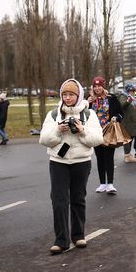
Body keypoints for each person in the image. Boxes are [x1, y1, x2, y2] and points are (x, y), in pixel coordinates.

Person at [39, 79, 104, 254]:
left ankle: (78, 235)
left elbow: (98, 140)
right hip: (58, 162)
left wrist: (82, 130)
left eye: (71, 94)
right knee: (59, 200)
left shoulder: (89, 114)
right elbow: (44, 139)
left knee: (78, 198)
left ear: (78, 95)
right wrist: (57, 131)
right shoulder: (53, 115)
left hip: (81, 162)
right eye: (65, 94)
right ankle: (61, 240)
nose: (68, 98)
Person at [88, 76, 123, 194]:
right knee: (100, 158)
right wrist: (87, 103)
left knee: (109, 157)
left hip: (108, 132)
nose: (97, 88)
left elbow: (120, 113)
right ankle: (102, 183)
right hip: (95, 132)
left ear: (103, 86)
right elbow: (84, 115)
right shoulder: (90, 100)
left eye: (99, 86)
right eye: (95, 86)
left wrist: (116, 117)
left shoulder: (111, 98)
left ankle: (110, 184)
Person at [119, 84, 136, 163]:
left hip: (132, 122)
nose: (132, 92)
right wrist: (128, 101)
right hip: (126, 122)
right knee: (127, 139)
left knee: (131, 138)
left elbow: (131, 108)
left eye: (133, 91)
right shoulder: (123, 96)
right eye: (130, 91)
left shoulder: (133, 98)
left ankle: (128, 154)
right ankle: (127, 156)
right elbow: (122, 106)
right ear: (127, 91)